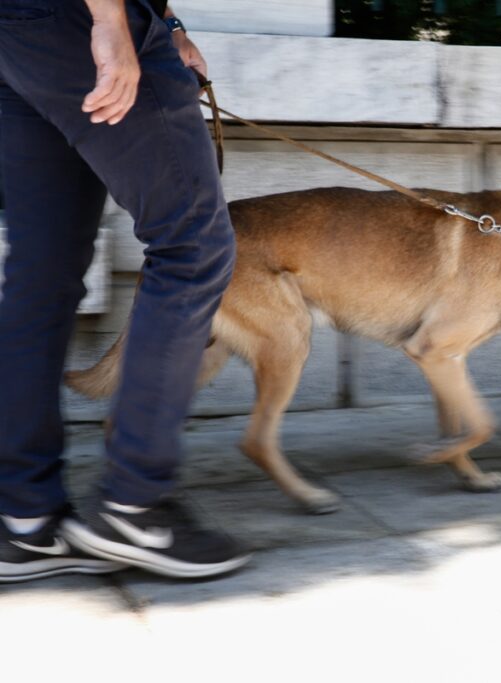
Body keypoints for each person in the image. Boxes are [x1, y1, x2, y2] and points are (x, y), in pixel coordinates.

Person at [0, 0, 250, 582]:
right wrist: (113, 24)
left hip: (18, 31)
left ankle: (25, 518)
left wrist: (169, 23)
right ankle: (134, 508)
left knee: (43, 268)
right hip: (80, 20)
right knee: (193, 245)